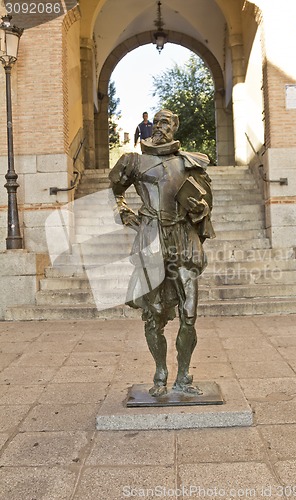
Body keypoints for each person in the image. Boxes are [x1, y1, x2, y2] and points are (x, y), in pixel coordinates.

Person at [110, 109, 215, 397]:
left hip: (182, 237)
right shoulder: (133, 162)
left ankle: (184, 376)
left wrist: (201, 209)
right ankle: (160, 374)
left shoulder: (189, 163)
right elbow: (114, 190)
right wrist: (123, 211)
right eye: (155, 122)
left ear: (175, 127)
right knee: (153, 314)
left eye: (164, 122)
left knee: (189, 313)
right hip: (152, 238)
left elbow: (207, 205)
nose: (158, 127)